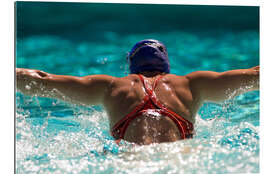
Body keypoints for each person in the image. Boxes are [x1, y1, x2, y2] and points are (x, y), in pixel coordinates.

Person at [16, 39, 259, 145]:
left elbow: (42, 80)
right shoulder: (192, 84)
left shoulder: (110, 87)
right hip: (181, 158)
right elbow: (255, 75)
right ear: (166, 65)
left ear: (131, 65)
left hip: (129, 162)